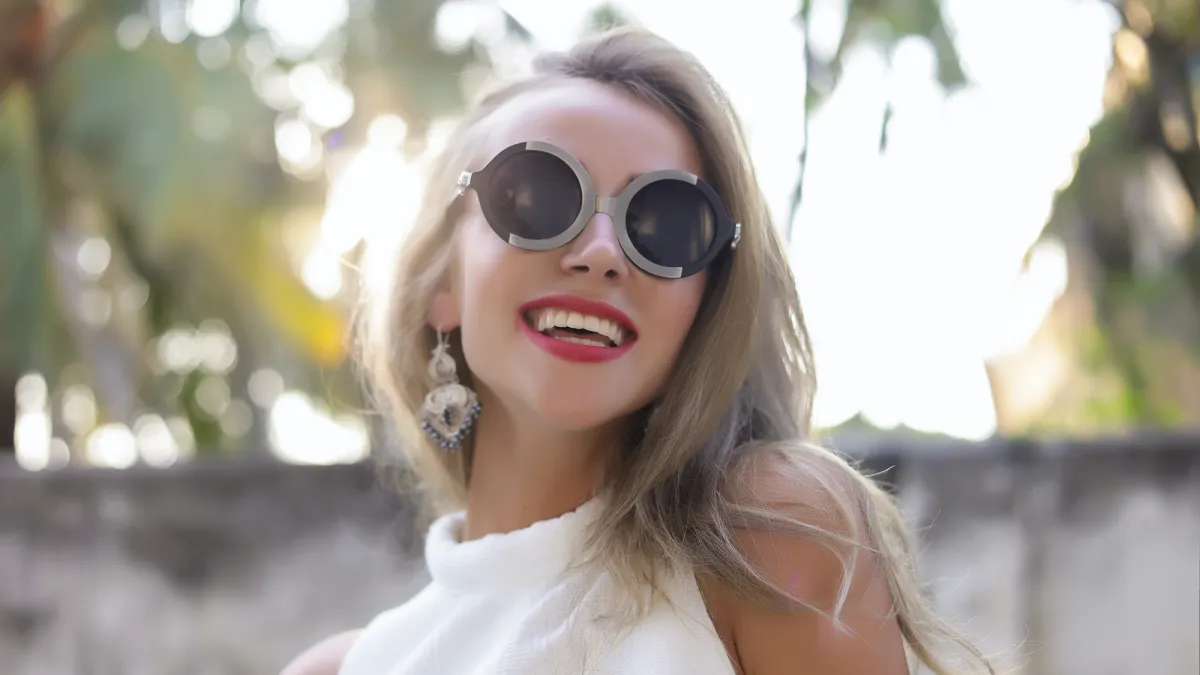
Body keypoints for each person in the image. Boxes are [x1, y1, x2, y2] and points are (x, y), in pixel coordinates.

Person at [283, 26, 995, 675]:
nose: (600, 253)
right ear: (442, 283)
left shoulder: (770, 531)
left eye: (667, 222)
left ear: (705, 305)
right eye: (536, 193)